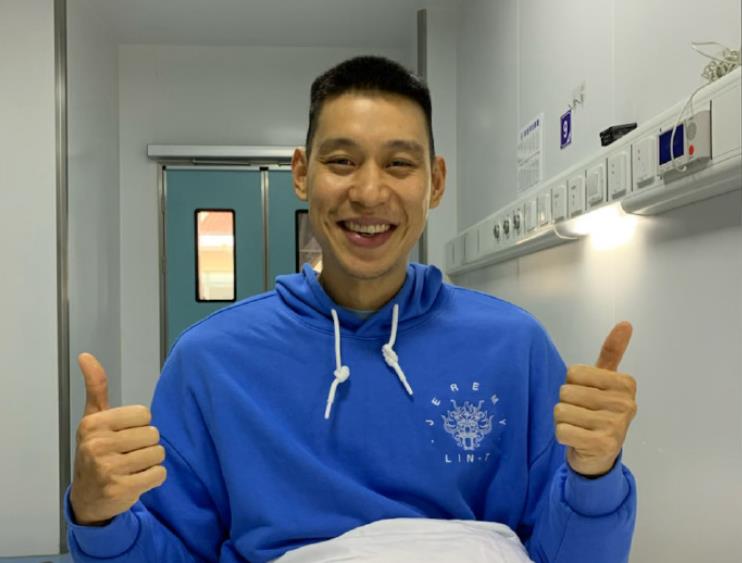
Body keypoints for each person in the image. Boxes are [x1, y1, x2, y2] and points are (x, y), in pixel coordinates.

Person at [65, 56, 638, 562]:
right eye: (341, 161)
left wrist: (596, 475)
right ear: (301, 174)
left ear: (436, 182)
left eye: (399, 164)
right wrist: (98, 517)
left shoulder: (513, 348)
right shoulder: (212, 362)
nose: (368, 193)